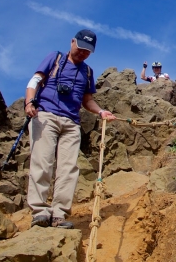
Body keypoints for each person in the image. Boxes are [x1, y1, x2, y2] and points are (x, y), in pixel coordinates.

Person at [24, 29, 116, 229]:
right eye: (81, 48)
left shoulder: (88, 72)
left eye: (88, 51)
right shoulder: (55, 58)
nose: (83, 53)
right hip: (46, 115)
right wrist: (29, 101)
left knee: (68, 169)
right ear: (73, 42)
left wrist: (101, 112)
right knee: (42, 162)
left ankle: (58, 214)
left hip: (72, 122)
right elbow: (35, 80)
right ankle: (40, 212)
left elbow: (87, 100)